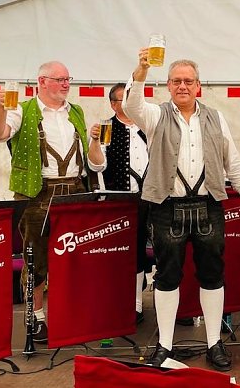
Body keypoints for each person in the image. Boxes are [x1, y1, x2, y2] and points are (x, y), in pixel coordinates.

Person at [124, 55, 240, 372]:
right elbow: (132, 107)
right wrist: (141, 72)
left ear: (198, 86)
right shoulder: (154, 115)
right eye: (176, 81)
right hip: (167, 207)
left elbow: (233, 159)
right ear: (169, 86)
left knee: (212, 274)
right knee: (167, 276)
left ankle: (214, 342)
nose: (183, 86)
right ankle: (165, 346)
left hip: (208, 205)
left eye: (189, 81)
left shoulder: (216, 117)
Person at [0, 61, 104, 345]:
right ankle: (36, 316)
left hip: (74, 192)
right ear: (42, 81)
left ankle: (68, 313)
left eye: (68, 79)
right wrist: (0, 107)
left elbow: (87, 158)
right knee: (35, 259)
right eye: (60, 79)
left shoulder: (76, 111)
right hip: (35, 194)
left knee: (72, 257)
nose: (66, 84)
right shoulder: (21, 110)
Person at [94, 83, 150, 323]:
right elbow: (97, 166)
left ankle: (146, 302)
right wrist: (94, 142)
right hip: (122, 199)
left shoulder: (150, 125)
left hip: (152, 197)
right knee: (126, 252)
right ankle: (126, 303)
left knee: (161, 251)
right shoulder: (106, 128)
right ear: (113, 104)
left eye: (130, 100)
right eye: (121, 101)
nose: (126, 105)